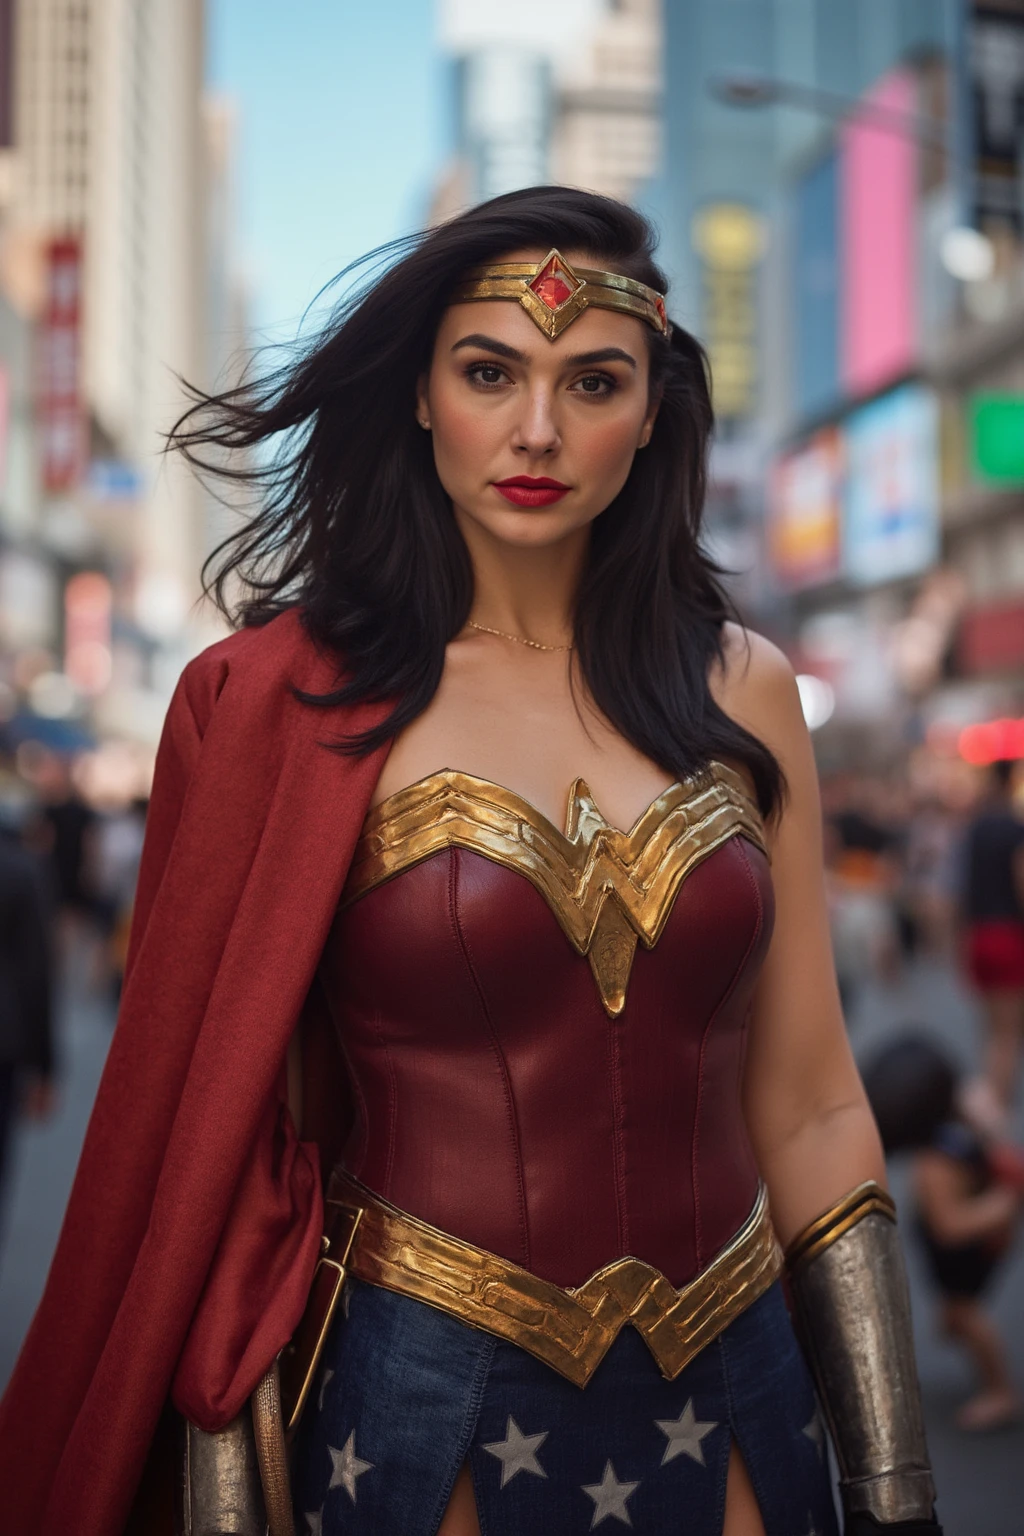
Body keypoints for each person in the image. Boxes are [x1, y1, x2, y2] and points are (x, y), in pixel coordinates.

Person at [0, 189, 941, 1536]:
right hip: (415, 1403)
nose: (539, 430)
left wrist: (895, 1479)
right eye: (492, 371)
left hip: (743, 1385)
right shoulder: (275, 707)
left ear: (654, 409)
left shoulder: (750, 690)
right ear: (427, 396)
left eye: (594, 380)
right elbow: (216, 1157)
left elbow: (807, 1106)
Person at [862, 1035, 1021, 1431]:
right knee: (955, 1315)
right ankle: (954, 1320)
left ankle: (999, 1391)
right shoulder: (960, 1118)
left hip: (959, 1255)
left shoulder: (932, 1165)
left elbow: (949, 1227)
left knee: (968, 1317)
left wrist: (1000, 1207)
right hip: (968, 1244)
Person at [959, 758, 1024, 1119]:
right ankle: (996, 1114)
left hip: (978, 932)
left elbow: (959, 887)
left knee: (989, 1028)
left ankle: (988, 1096)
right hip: (1008, 935)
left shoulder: (975, 827)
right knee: (1007, 1033)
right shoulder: (1015, 828)